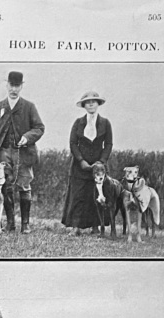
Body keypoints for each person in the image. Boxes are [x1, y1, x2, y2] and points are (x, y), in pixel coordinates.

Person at [0, 70, 45, 234]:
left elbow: (39, 128)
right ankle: (11, 222)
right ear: (6, 85)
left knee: (24, 185)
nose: (14, 89)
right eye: (11, 85)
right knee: (6, 187)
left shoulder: (29, 106)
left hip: (24, 154)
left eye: (17, 86)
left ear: (21, 87)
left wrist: (27, 137)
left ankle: (25, 224)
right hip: (3, 153)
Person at [61, 91, 113, 235]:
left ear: (98, 104)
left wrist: (101, 162)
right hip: (79, 167)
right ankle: (76, 226)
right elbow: (73, 143)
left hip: (99, 168)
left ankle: (96, 226)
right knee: (78, 195)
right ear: (84, 105)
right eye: (88, 102)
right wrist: (81, 160)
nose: (91, 104)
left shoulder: (105, 123)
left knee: (97, 194)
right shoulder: (78, 123)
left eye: (94, 101)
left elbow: (108, 144)